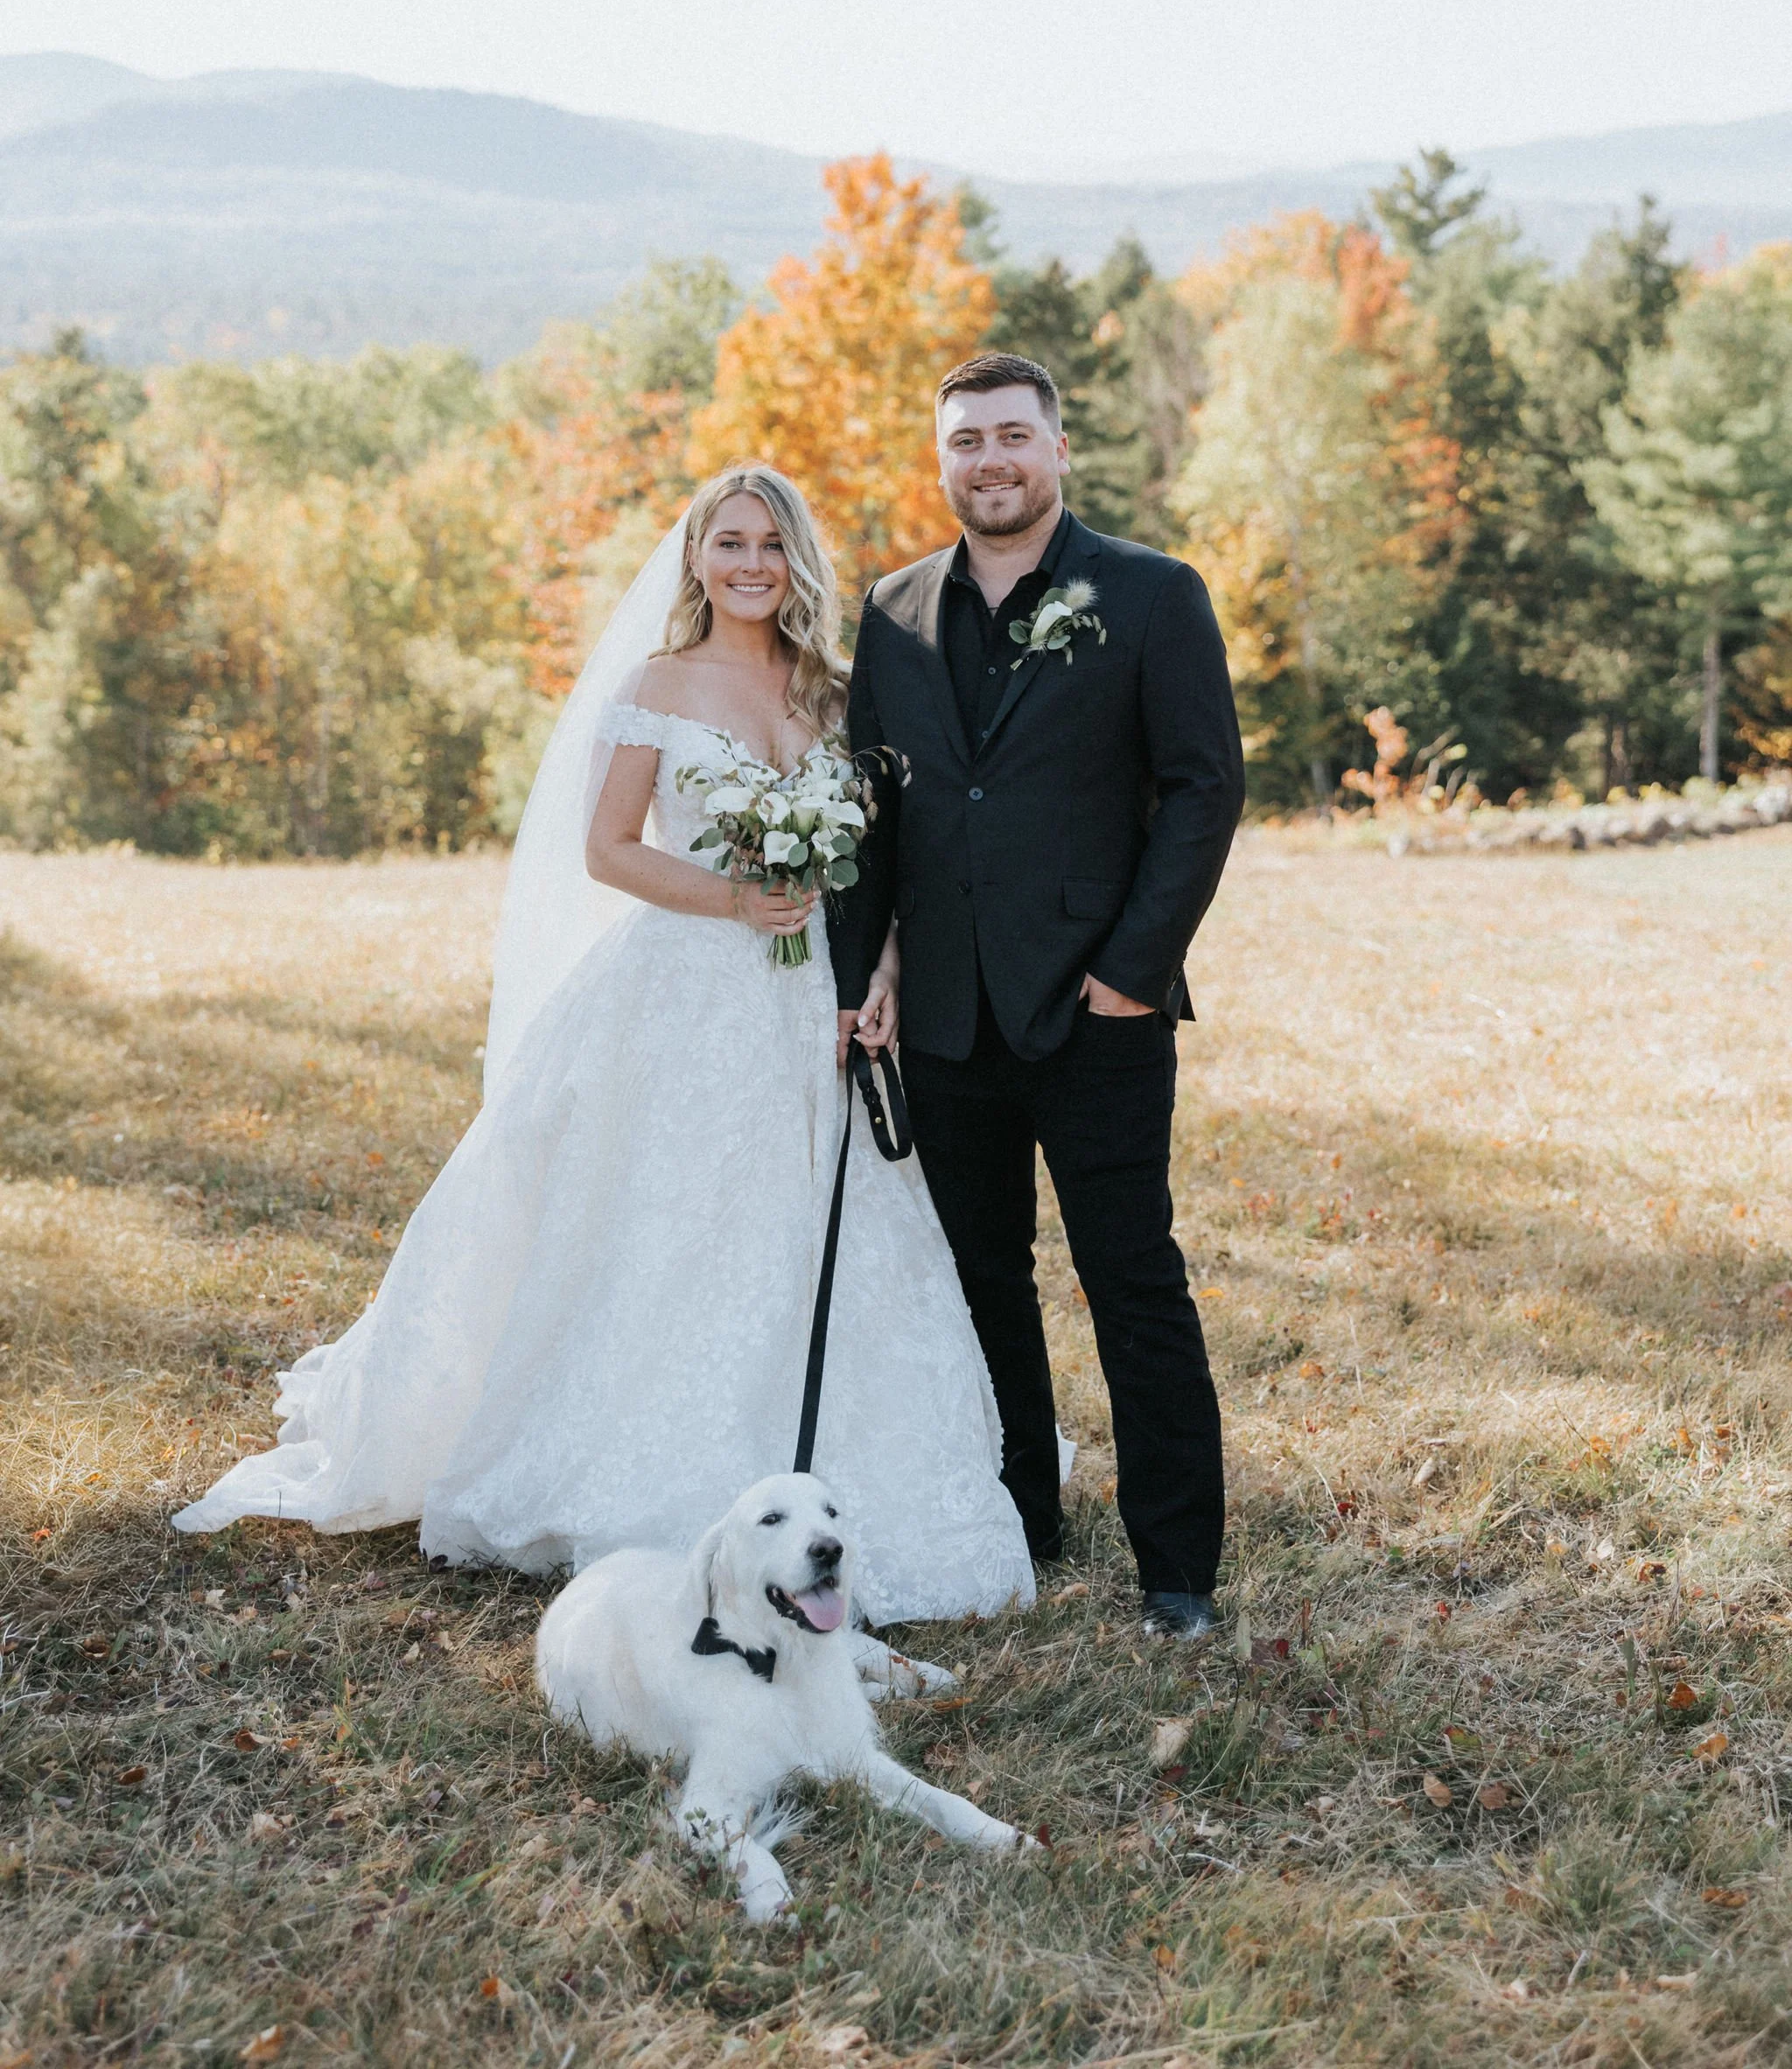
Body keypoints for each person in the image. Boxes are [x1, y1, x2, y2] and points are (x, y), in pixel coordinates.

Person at [174, 465, 1033, 1626]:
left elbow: (872, 860)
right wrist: (734, 900)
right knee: (665, 1219)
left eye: (771, 545)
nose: (749, 563)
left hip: (812, 999)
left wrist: (876, 971)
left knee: (809, 1221)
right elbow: (608, 848)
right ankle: (636, 1456)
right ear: (695, 557)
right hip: (683, 989)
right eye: (727, 541)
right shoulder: (658, 682)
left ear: (796, 563)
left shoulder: (832, 689)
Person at [830, 354, 1245, 1640]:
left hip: (1095, 1008)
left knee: (1132, 1280)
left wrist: (1132, 972)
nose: (991, 461)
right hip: (949, 1016)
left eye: (1014, 436)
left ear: (1058, 451)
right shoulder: (893, 609)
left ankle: (1176, 1569)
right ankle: (1022, 1514)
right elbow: (873, 806)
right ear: (942, 460)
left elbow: (1203, 789)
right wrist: (867, 972)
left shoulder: (1152, 595)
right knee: (980, 1284)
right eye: (967, 442)